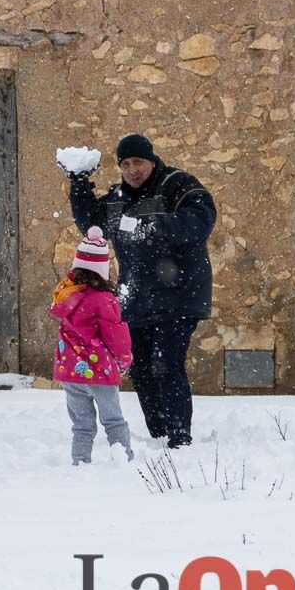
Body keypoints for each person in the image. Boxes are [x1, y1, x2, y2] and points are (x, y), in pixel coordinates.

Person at [64, 133, 216, 448]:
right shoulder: (119, 197)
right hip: (136, 296)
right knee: (141, 367)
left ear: (151, 160)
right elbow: (92, 224)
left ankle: (179, 439)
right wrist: (79, 183)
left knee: (166, 363)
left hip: (179, 294)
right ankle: (158, 434)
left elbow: (202, 218)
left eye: (139, 162)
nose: (133, 170)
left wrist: (155, 226)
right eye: (126, 164)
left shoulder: (178, 184)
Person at [50, 227, 134, 464]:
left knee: (82, 425)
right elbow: (116, 336)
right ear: (102, 270)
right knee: (113, 420)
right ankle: (123, 461)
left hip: (71, 372)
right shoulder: (104, 299)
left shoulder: (65, 295)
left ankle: (80, 462)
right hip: (99, 372)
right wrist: (124, 359)